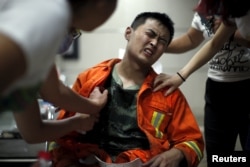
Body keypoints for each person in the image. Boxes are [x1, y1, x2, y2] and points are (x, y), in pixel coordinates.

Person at [49, 12, 204, 167]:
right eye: (150, 34)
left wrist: (176, 154)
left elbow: (194, 142)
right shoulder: (90, 79)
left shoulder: (167, 92)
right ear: (128, 33)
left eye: (162, 41)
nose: (154, 43)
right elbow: (60, 136)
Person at [0, 0, 117, 143]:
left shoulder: (38, 55)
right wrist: (94, 106)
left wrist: (79, 120)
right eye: (73, 30)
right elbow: (55, 93)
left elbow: (33, 132)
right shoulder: (51, 12)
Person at [153, 10, 250, 166]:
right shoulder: (206, 8)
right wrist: (158, 44)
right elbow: (193, 39)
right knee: (218, 156)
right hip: (217, 90)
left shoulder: (237, 7)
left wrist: (231, 33)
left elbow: (217, 42)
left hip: (246, 85)